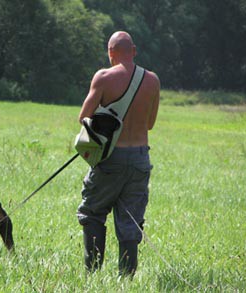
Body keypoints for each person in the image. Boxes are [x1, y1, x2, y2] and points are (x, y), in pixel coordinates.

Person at [76, 31, 160, 277]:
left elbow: (83, 118)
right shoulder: (153, 80)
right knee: (131, 222)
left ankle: (92, 274)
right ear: (133, 50)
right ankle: (126, 280)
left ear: (110, 53)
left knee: (92, 213)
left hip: (111, 159)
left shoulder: (103, 77)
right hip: (140, 159)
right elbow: (150, 123)